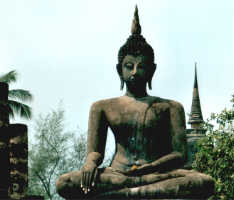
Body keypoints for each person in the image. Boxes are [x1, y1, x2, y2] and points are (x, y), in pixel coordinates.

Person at [56, 6, 214, 199]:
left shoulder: (171, 107)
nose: (135, 72)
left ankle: (123, 195)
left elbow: (180, 155)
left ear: (152, 71)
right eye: (129, 66)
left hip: (156, 175)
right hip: (117, 175)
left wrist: (151, 167)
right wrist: (90, 164)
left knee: (204, 182)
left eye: (142, 66)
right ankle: (134, 192)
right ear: (119, 70)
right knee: (64, 183)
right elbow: (95, 151)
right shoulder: (102, 107)